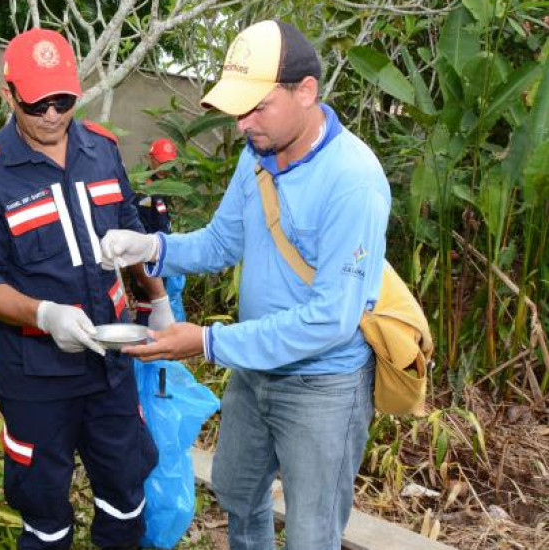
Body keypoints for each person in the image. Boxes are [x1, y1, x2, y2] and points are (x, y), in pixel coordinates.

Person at [100, 19, 390, 550]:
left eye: (257, 107)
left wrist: (207, 342)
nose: (242, 125)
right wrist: (152, 248)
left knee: (311, 533)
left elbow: (330, 319)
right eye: (239, 110)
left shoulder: (353, 180)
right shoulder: (256, 158)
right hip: (254, 372)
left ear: (306, 92)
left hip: (322, 385)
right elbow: (220, 243)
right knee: (239, 498)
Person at [0, 28, 174, 550]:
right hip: (37, 374)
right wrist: (44, 314)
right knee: (43, 507)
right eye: (36, 103)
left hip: (109, 363)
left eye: (63, 100)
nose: (51, 114)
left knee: (125, 487)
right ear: (10, 95)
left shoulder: (102, 150)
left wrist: (157, 300)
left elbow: (133, 237)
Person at [131, 138, 186, 325]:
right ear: (151, 159)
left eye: (169, 163)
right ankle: (144, 349)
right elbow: (139, 229)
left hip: (163, 254)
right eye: (162, 162)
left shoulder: (165, 185)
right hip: (149, 257)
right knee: (149, 304)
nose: (165, 167)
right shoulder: (144, 189)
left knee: (163, 304)